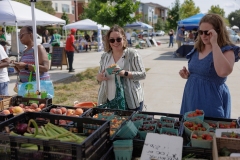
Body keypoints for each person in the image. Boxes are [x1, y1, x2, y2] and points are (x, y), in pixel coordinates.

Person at [179, 13, 240, 118]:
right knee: (189, 130)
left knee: (210, 131)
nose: (203, 35)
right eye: (200, 32)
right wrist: (188, 75)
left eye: (207, 32)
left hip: (211, 101)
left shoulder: (227, 50)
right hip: (191, 98)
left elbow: (223, 72)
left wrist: (214, 44)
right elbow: (200, 73)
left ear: (218, 32)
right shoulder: (198, 48)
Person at [97, 25, 146, 111]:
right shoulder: (105, 56)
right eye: (112, 40)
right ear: (108, 41)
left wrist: (124, 73)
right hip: (110, 101)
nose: (115, 42)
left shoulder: (132, 54)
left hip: (131, 101)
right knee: (114, 124)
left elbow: (142, 74)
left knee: (131, 124)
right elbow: (99, 76)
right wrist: (99, 78)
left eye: (118, 39)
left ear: (123, 39)